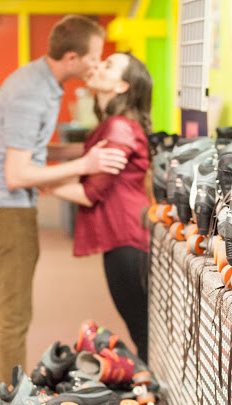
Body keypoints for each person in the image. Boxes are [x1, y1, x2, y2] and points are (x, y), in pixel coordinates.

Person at [0, 15, 127, 405]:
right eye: (93, 56)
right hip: (5, 209)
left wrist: (80, 152)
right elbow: (18, 174)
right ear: (71, 56)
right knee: (15, 315)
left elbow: (33, 154)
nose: (96, 63)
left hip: (0, 204)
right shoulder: (31, 94)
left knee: (4, 305)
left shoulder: (45, 84)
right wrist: (85, 166)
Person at [43, 52, 152, 362]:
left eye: (108, 66)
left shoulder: (119, 127)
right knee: (141, 328)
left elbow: (91, 193)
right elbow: (85, 156)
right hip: (124, 236)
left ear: (121, 86)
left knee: (142, 330)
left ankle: (148, 402)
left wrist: (36, 182)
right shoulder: (114, 124)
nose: (97, 66)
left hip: (127, 238)